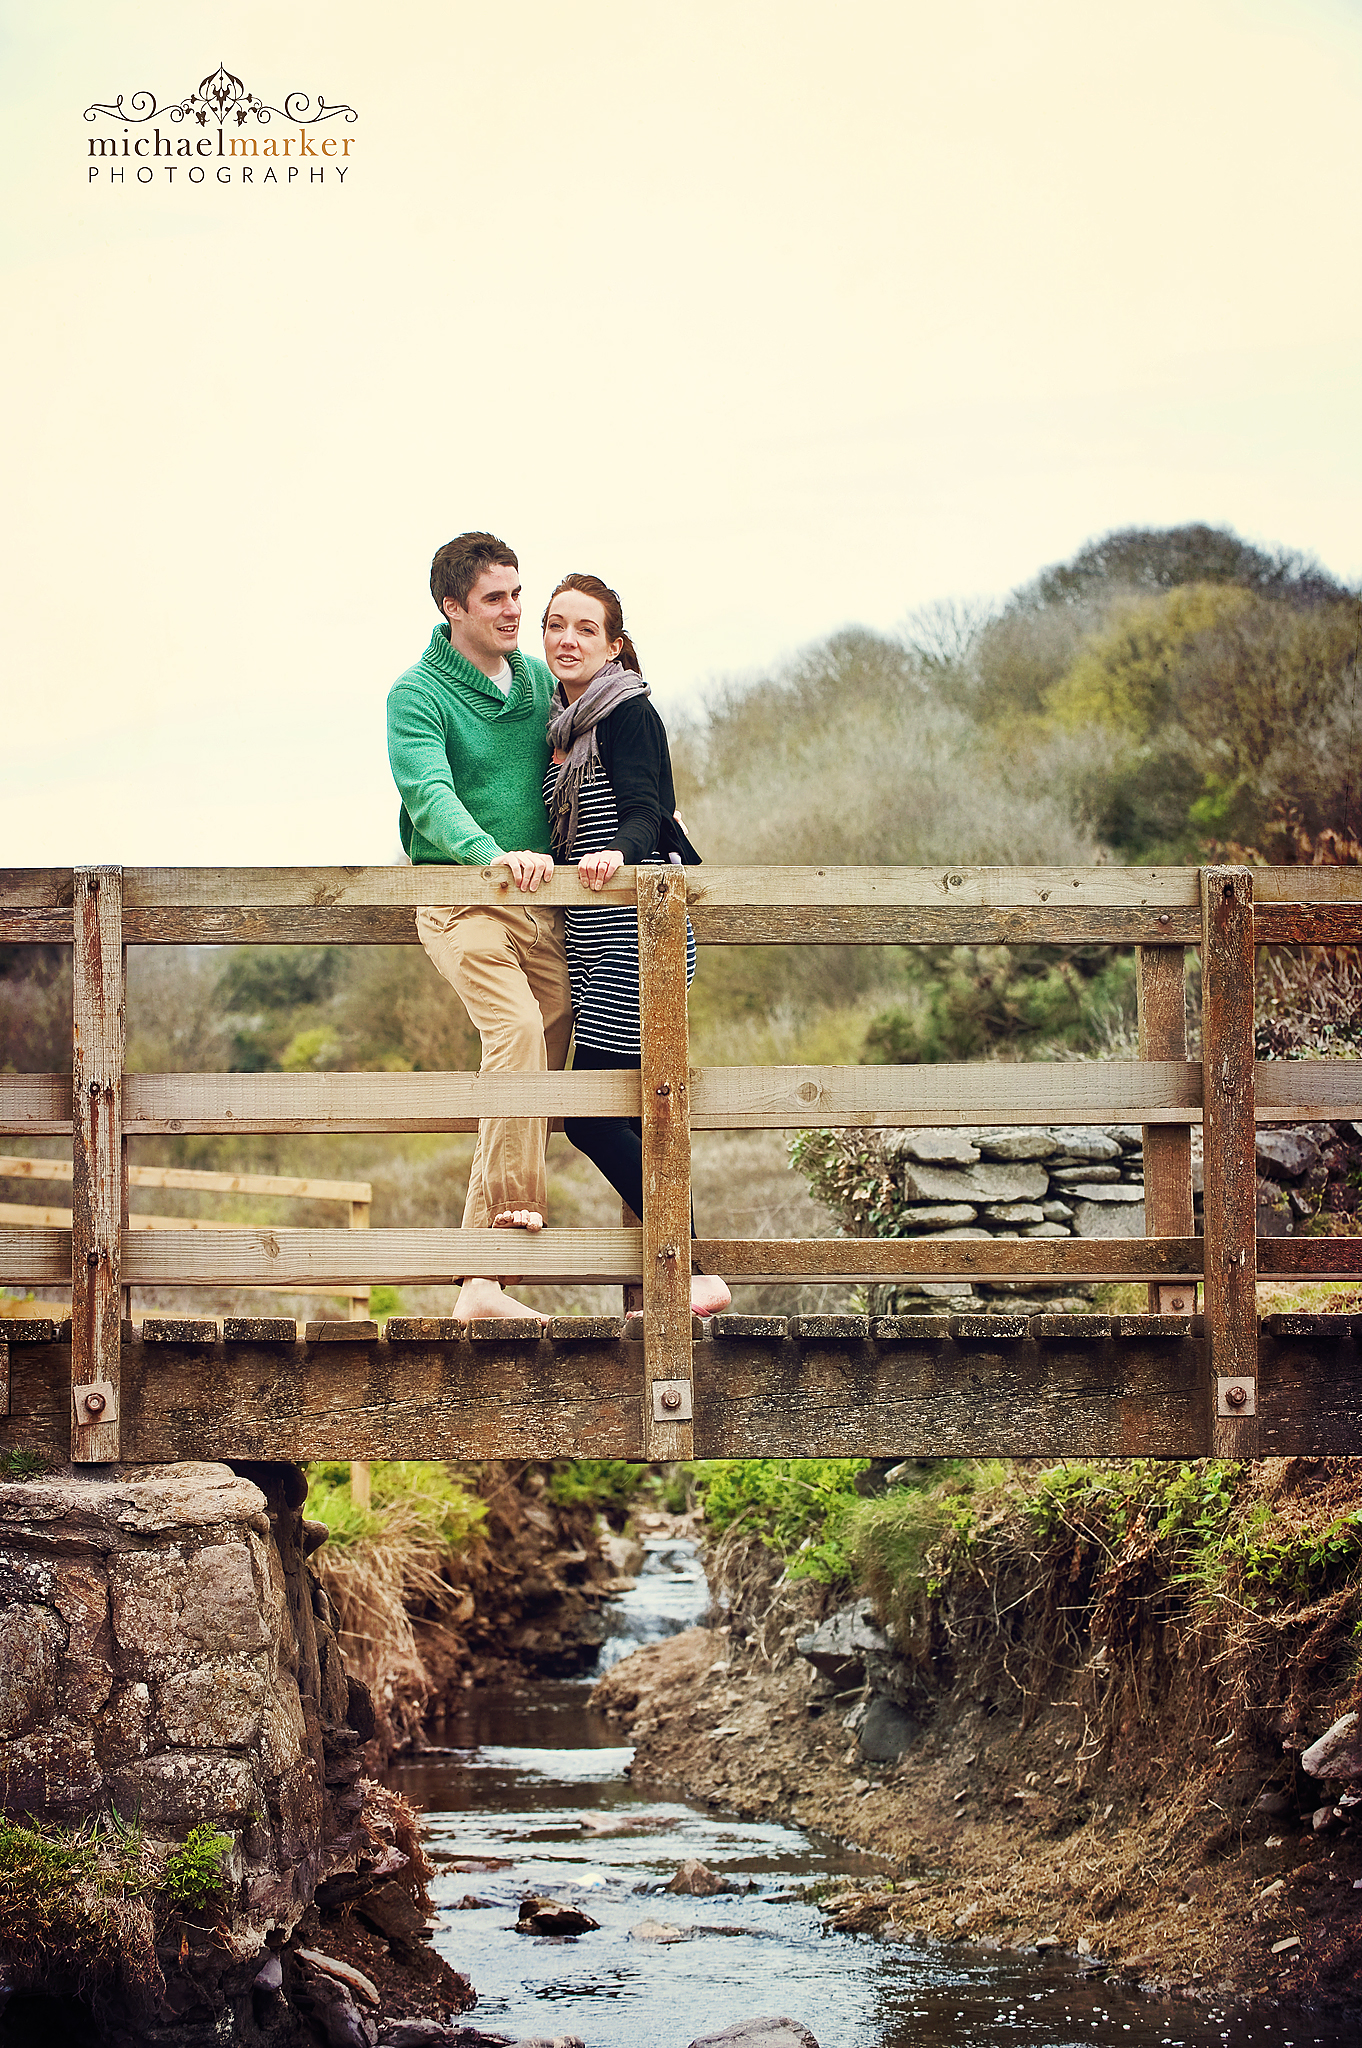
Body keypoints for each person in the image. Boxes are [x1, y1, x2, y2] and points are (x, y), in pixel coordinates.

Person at [386, 532, 572, 1322]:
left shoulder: (535, 681)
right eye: (495, 598)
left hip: (536, 904)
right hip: (462, 896)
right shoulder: (416, 695)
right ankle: (504, 1245)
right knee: (516, 1030)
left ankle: (476, 1286)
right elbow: (429, 794)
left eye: (517, 594)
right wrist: (492, 855)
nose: (514, 611)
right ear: (451, 606)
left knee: (555, 1026)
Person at [541, 574, 731, 1319]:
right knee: (628, 1110)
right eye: (556, 625)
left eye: (586, 629)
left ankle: (690, 1275)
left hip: (637, 934)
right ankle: (681, 1274)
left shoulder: (627, 713)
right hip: (593, 936)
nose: (567, 639)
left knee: (591, 1116)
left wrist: (616, 855)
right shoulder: (561, 728)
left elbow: (648, 810)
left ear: (614, 644)